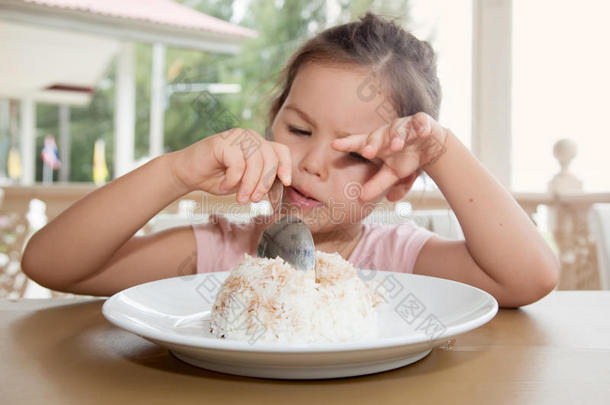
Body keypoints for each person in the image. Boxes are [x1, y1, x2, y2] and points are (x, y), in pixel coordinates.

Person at [20, 12, 559, 308]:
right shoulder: (220, 249)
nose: (312, 163)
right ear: (272, 121)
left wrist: (442, 152)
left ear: (397, 181)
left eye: (352, 151)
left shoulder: (403, 263)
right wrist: (175, 173)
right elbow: (51, 265)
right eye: (299, 129)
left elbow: (529, 278)